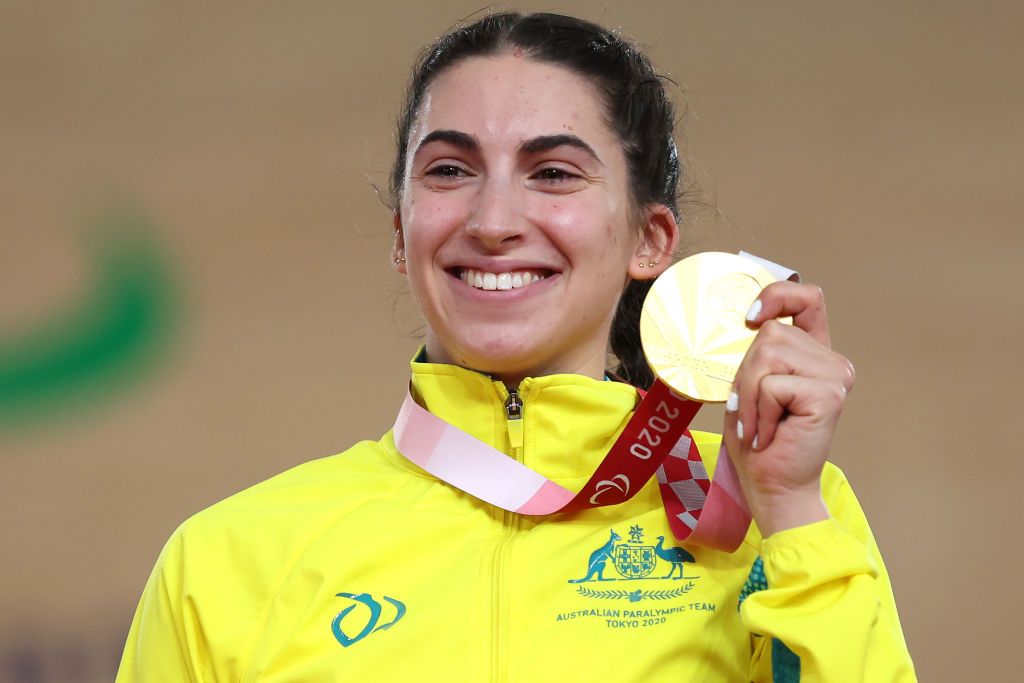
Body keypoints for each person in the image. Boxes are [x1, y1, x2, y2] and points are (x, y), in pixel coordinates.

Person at [116, 12, 916, 682]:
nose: (493, 221)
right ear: (401, 232)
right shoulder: (226, 560)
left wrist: (790, 511)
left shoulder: (775, 512)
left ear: (649, 238)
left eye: (554, 173)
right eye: (450, 169)